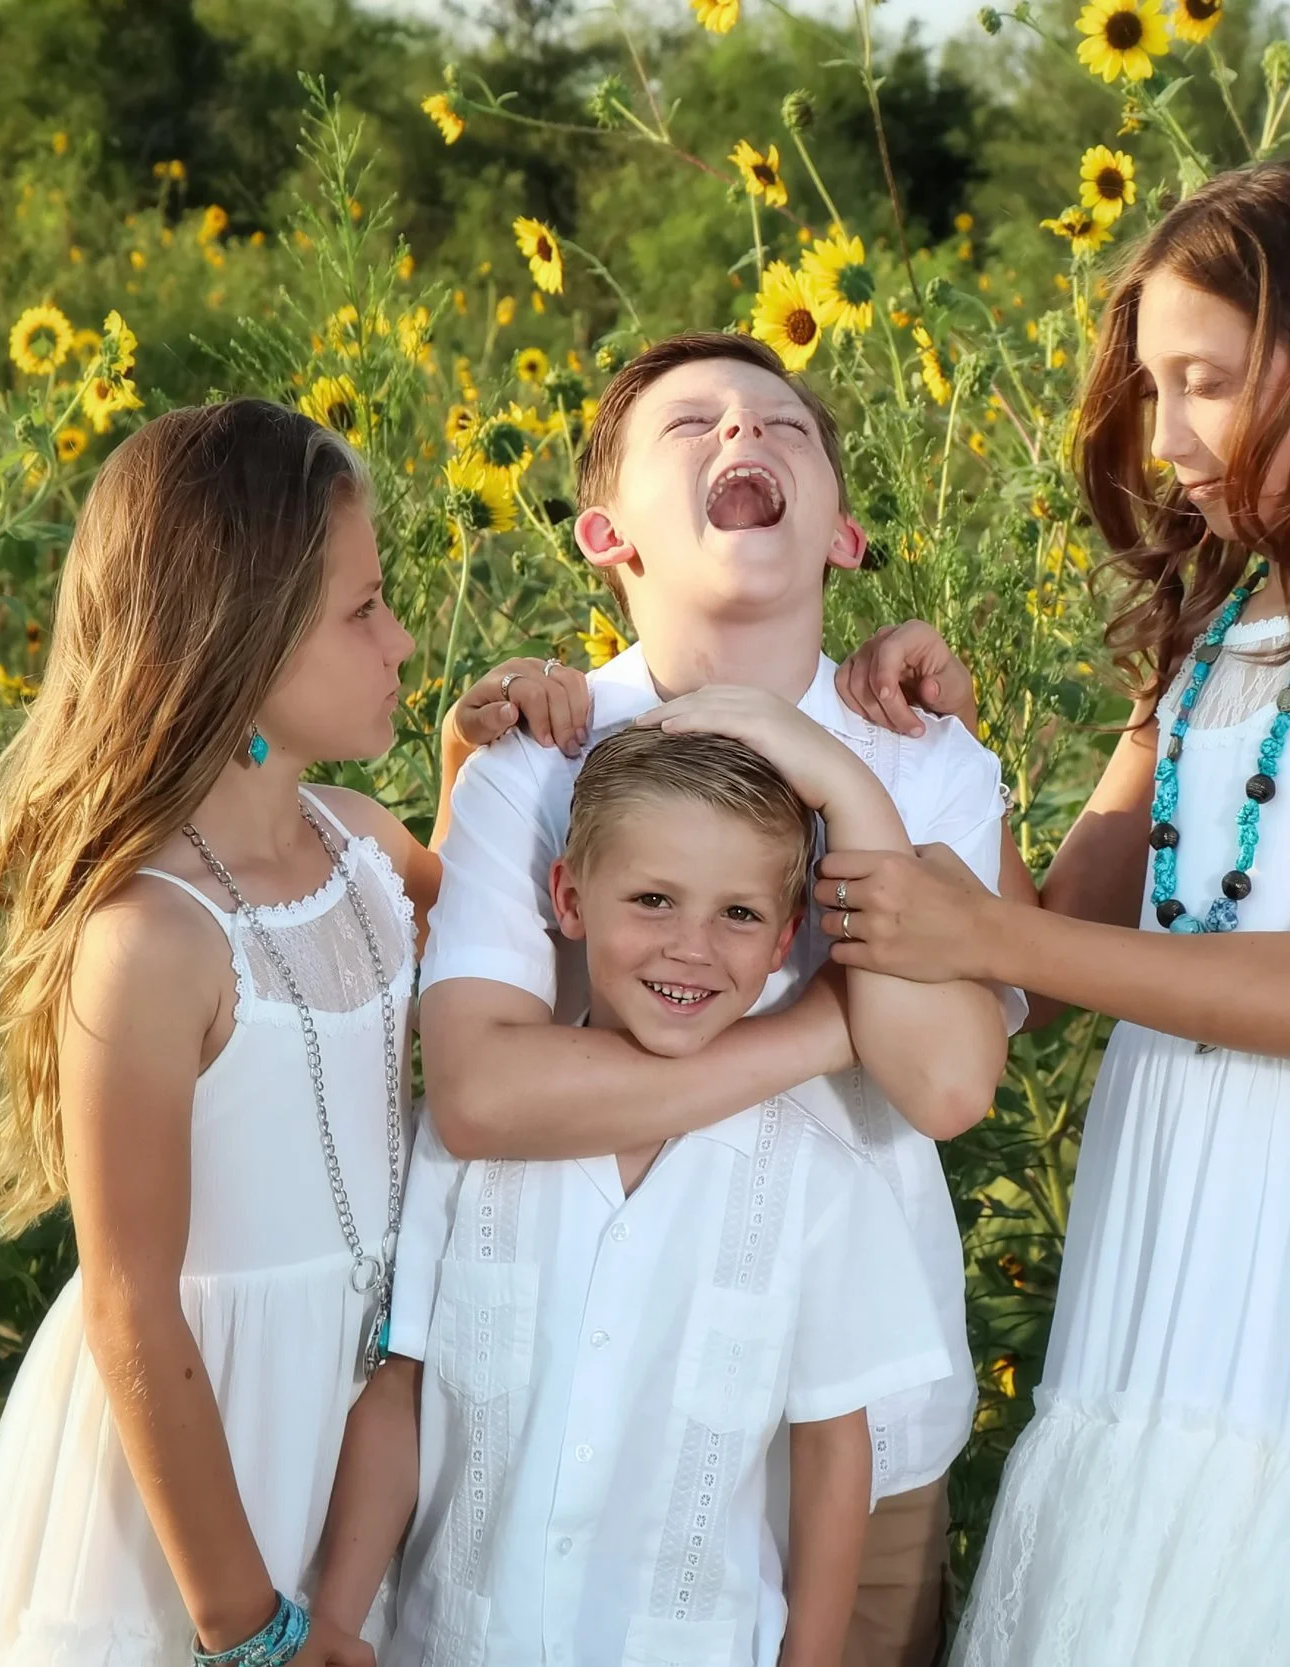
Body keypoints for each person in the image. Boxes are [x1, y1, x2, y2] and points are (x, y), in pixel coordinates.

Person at [822, 154, 1290, 1665]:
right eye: (1152, 390)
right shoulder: (1221, 629)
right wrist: (940, 745)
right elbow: (1052, 931)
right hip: (1171, 1199)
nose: (1167, 440)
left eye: (1206, 381)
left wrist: (996, 936)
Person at [0, 396, 591, 1667]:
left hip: (346, 1451)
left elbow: (483, 963)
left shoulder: (358, 843)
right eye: (363, 609)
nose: (401, 639)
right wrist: (246, 1626)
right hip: (188, 1489)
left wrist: (477, 765)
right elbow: (132, 1306)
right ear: (237, 639)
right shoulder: (151, 939)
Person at [407, 331, 1018, 1665]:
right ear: (605, 530)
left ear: (845, 536)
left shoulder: (927, 766)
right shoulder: (538, 763)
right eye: (692, 427)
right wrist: (824, 1024)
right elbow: (482, 1087)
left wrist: (831, 774)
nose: (745, 439)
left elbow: (949, 1082)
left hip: (852, 1440)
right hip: (559, 1412)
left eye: (784, 427)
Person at [307, 724, 956, 1667]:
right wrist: (337, 1615)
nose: (690, 949)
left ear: (784, 940)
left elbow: (831, 1450)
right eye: (653, 899)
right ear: (569, 897)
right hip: (460, 1641)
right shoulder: (464, 1149)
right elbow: (398, 1390)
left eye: (738, 914)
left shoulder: (818, 1180)